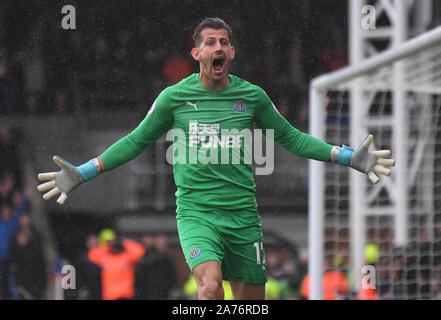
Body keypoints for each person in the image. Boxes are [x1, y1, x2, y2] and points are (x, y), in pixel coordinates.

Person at [36, 18, 395, 300]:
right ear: (197, 54)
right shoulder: (173, 98)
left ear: (232, 52)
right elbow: (135, 140)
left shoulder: (251, 96)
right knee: (208, 287)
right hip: (197, 212)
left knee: (249, 299)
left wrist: (347, 156)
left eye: (224, 42)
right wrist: (84, 171)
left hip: (242, 215)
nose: (218, 47)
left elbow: (292, 138)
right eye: (210, 42)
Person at [88, 229, 145, 300]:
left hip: (126, 295)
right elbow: (92, 255)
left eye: (114, 241)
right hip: (110, 296)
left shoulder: (126, 256)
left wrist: (125, 242)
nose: (112, 244)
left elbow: (140, 251)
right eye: (109, 242)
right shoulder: (104, 257)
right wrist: (107, 245)